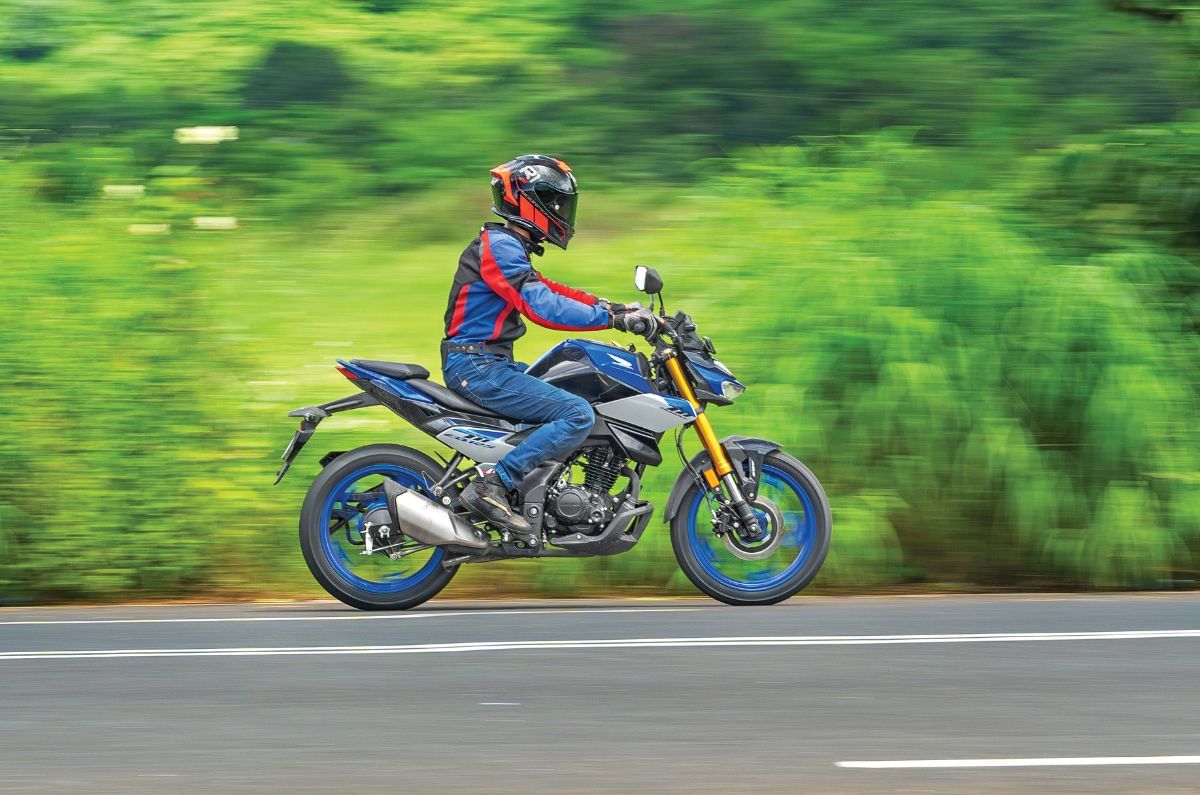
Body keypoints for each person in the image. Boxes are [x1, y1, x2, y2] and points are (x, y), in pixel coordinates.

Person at [440, 154, 656, 546]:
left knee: (574, 386)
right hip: (477, 365)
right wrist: (613, 321)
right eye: (554, 202)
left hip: (488, 361)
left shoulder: (508, 247)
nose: (561, 212)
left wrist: (616, 308)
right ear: (528, 201)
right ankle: (493, 486)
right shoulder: (499, 245)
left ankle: (535, 494)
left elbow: (556, 291)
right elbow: (541, 304)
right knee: (576, 413)